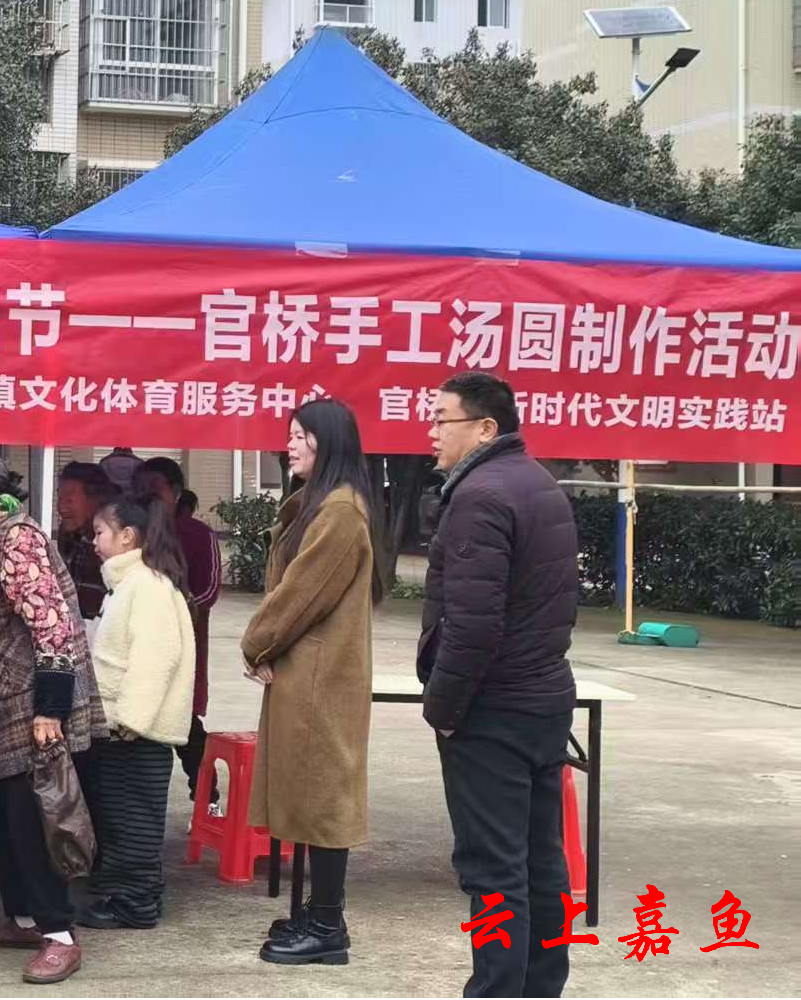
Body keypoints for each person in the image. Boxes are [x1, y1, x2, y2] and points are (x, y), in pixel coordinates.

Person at [421, 373, 579, 999]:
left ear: (486, 428)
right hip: (543, 700)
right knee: (542, 865)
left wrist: (444, 708)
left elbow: (473, 627)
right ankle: (540, 988)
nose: (432, 432)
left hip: (493, 709)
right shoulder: (538, 483)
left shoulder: (481, 496)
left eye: (443, 419)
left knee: (493, 873)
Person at [0, 454, 103, 987]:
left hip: (28, 705)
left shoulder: (18, 539)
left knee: (32, 822)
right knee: (2, 815)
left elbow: (51, 626)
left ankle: (59, 934)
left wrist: (50, 710)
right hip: (0, 702)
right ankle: (24, 920)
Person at [240, 400, 384, 967]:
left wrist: (256, 643)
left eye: (301, 435)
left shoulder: (341, 512)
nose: (290, 445)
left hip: (324, 678)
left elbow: (301, 595)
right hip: (308, 672)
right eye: (290, 435)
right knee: (307, 792)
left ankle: (328, 926)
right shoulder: (320, 505)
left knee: (325, 797)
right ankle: (318, 913)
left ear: (328, 442)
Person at [78, 492, 195, 932]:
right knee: (121, 816)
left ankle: (135, 904)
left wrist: (130, 721)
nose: (93, 541)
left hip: (135, 730)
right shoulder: (128, 584)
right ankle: (130, 894)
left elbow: (155, 658)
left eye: (100, 532)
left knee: (134, 821)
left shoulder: (147, 586)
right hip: (121, 727)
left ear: (127, 536)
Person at [134, 457, 221, 802]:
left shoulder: (198, 534)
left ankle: (207, 797)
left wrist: (175, 611)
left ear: (176, 492)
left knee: (185, 722)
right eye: (142, 488)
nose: (147, 495)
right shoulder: (133, 530)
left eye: (155, 487)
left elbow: (209, 590)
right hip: (141, 645)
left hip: (185, 644)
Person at [55, 463, 117, 624]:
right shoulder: (67, 533)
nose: (61, 507)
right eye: (59, 498)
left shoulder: (115, 543)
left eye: (69, 500)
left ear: (96, 500)